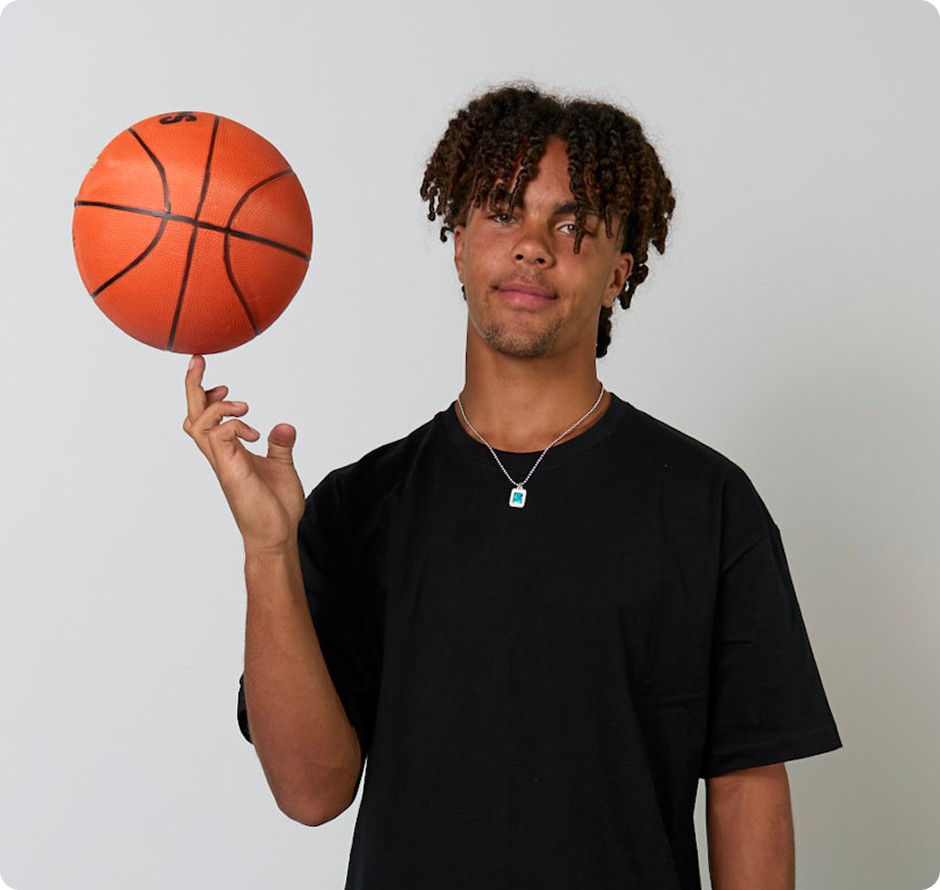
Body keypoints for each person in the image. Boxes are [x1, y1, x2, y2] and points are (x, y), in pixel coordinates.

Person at [183, 84, 842, 890]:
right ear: (458, 244)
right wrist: (267, 550)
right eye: (502, 213)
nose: (533, 246)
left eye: (573, 226)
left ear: (616, 276)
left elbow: (745, 786)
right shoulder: (361, 505)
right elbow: (312, 793)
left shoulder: (707, 503)